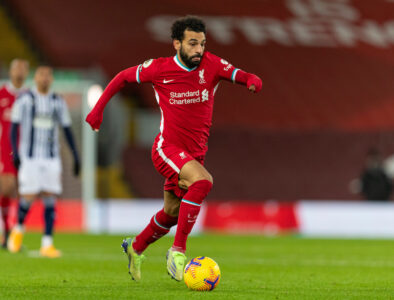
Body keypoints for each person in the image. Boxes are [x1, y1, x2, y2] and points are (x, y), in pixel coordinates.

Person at [86, 16, 262, 281]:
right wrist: (97, 111)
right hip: (167, 148)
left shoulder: (212, 64)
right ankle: (178, 251)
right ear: (177, 43)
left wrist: (252, 80)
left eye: (202, 44)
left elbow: (240, 74)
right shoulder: (159, 69)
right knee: (203, 182)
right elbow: (122, 78)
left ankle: (135, 247)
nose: (198, 50)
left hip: (194, 153)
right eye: (192, 44)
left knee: (170, 215)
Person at [7, 66, 80, 257]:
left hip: (51, 157)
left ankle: (47, 243)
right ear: (35, 78)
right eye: (41, 75)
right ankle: (18, 230)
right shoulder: (24, 100)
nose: (45, 79)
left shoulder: (58, 101)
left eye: (48, 75)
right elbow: (13, 128)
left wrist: (75, 155)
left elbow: (67, 129)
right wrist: (15, 152)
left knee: (50, 198)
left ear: (52, 79)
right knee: (28, 197)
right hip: (30, 157)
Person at [0, 59, 29, 248]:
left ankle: (15, 232)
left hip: (26, 151)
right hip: (4, 150)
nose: (19, 71)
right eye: (16, 68)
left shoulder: (30, 96)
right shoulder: (1, 93)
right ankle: (6, 231)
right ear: (10, 71)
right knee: (5, 189)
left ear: (26, 73)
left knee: (24, 191)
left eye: (22, 68)